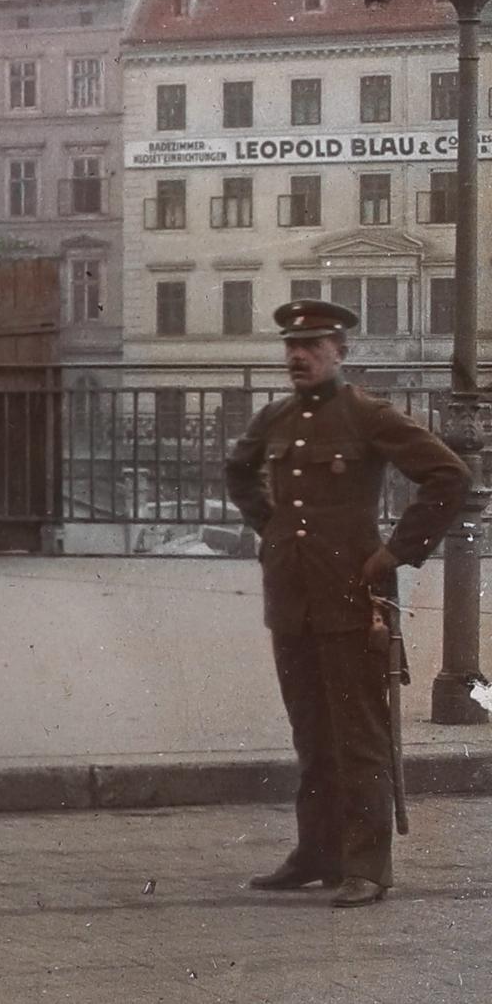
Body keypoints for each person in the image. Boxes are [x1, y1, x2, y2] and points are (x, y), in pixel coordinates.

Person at [223, 299, 468, 906]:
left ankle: (366, 866)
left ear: (340, 352)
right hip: (291, 596)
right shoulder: (277, 416)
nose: (298, 356)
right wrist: (272, 529)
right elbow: (238, 470)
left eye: (312, 346)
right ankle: (318, 853)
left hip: (353, 594)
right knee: (310, 731)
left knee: (358, 733)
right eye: (291, 346)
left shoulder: (367, 414)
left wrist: (395, 553)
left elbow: (449, 476)